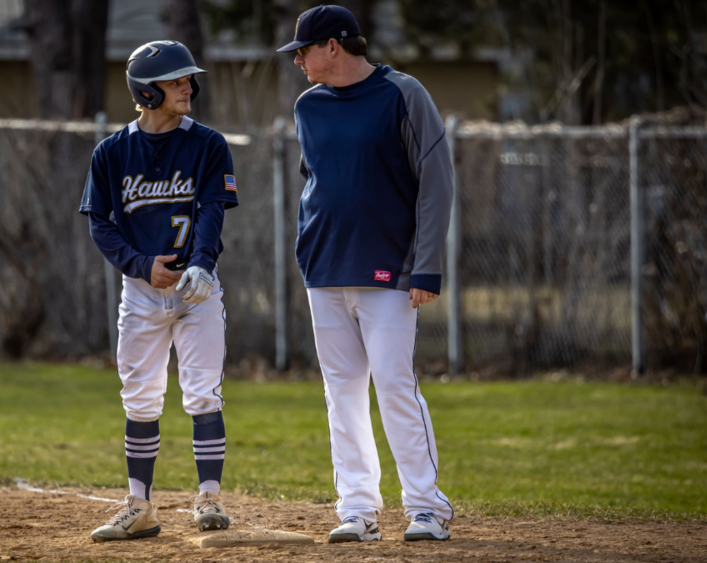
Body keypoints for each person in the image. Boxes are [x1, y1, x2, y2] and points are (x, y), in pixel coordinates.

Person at [276, 4, 456, 543]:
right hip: (325, 268)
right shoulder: (308, 105)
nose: (297, 62)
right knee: (342, 392)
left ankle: (427, 507)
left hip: (390, 268)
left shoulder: (402, 93)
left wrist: (427, 265)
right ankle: (358, 509)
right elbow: (317, 182)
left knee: (395, 385)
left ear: (333, 46)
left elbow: (436, 180)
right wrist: (307, 250)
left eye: (302, 51)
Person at [78, 40, 239, 542]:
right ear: (147, 93)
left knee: (203, 393)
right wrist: (142, 265)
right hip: (142, 292)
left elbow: (212, 209)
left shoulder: (208, 143)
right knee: (140, 398)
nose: (188, 86)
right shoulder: (112, 152)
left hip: (197, 291)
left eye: (188, 79)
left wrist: (202, 265)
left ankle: (209, 500)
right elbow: (101, 225)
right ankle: (139, 507)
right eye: (175, 82)